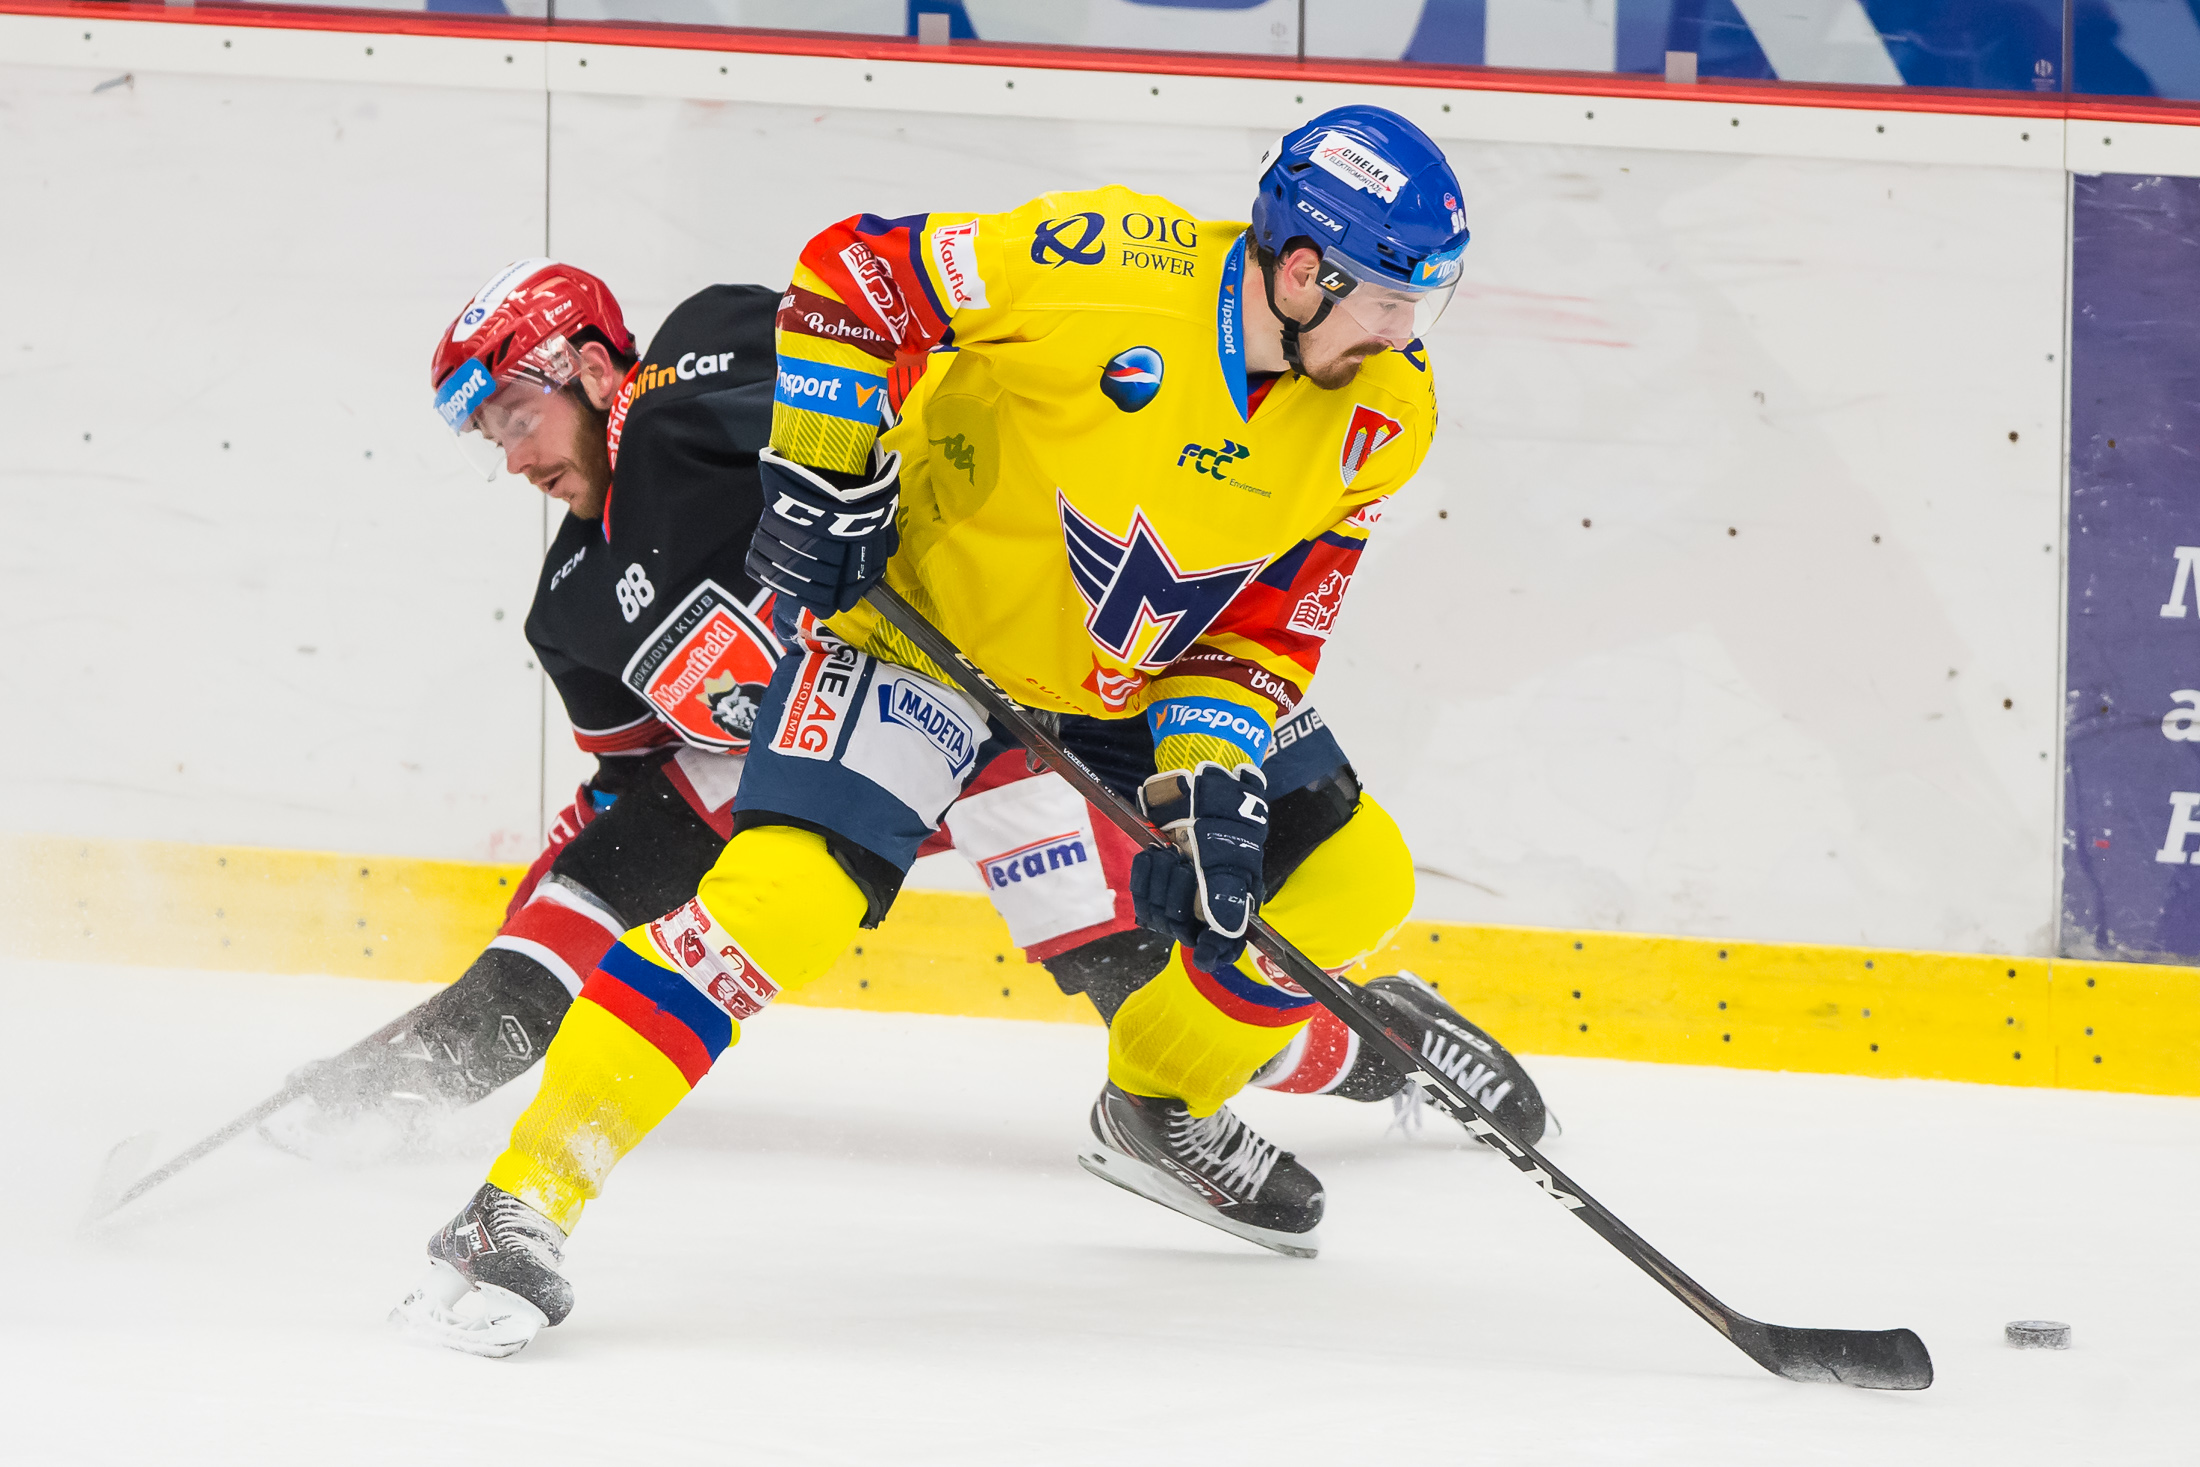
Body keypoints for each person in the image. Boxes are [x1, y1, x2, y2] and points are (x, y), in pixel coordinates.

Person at [394, 111, 1497, 1353]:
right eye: (1389, 301)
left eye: (1420, 303)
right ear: (1301, 271)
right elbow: (858, 270)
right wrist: (824, 469)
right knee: (781, 902)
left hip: (1137, 669)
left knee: (1354, 874)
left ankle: (1160, 1101)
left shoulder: (1387, 414)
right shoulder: (1107, 260)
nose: (1405, 333)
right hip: (917, 631)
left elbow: (1262, 629)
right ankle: (518, 1203)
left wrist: (1209, 772)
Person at [274, 258, 1543, 1162]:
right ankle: (406, 1074)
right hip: (840, 745)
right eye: (487, 435)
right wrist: (529, 939)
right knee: (593, 881)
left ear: (597, 366)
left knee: (1154, 995)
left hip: (988, 690)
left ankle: (1387, 1046)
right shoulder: (571, 610)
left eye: (516, 412)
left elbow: (902, 368)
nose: (511, 456)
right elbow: (626, 791)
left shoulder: (696, 367)